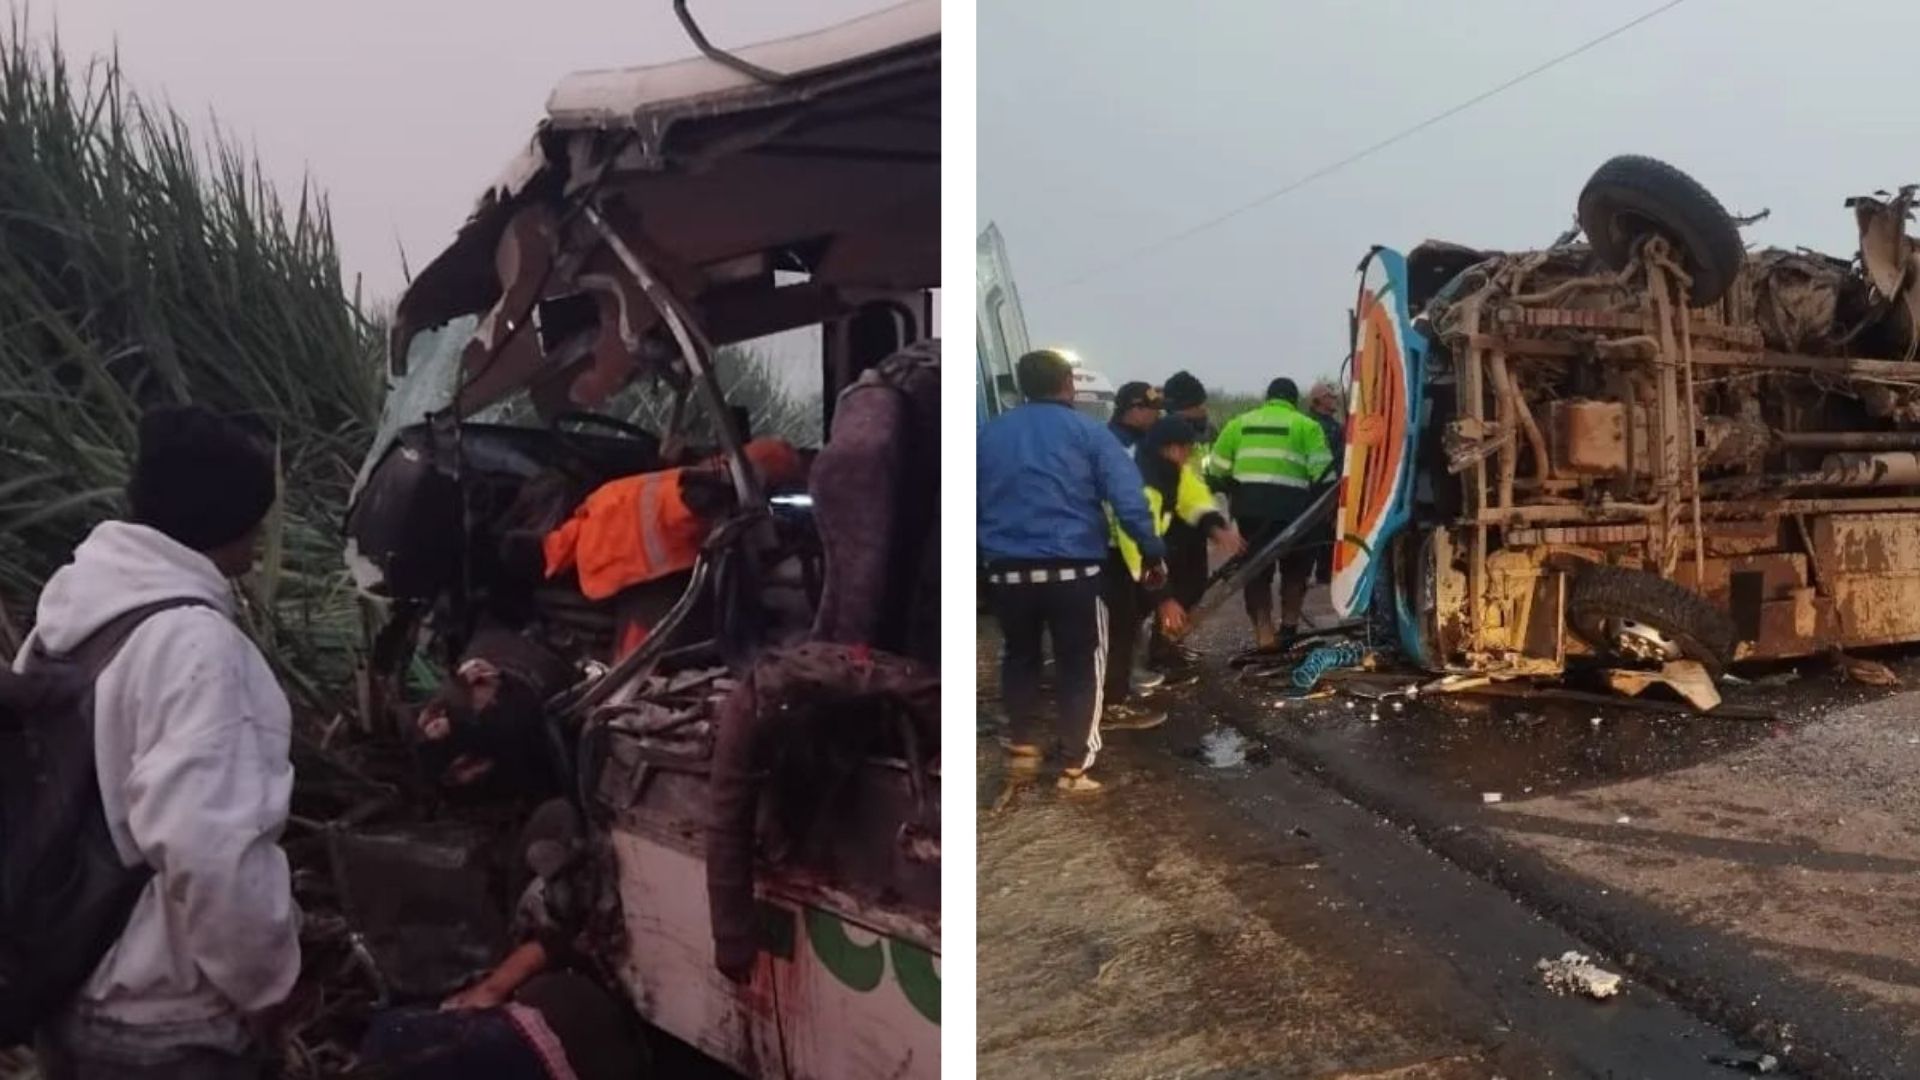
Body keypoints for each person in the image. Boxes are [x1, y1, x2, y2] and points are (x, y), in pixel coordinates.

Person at [24, 405, 300, 1079]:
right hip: (165, 1023)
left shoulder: (76, 609)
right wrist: (270, 985)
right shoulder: (197, 646)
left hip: (69, 988)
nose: (263, 535)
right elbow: (211, 851)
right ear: (233, 520)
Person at [979, 348, 1165, 794]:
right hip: (1074, 571)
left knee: (1019, 655)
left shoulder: (987, 435)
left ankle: (1022, 744)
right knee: (1081, 665)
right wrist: (1151, 549)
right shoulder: (1090, 434)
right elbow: (1128, 498)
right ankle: (1074, 767)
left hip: (1006, 572)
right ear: (1068, 384)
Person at [1101, 417, 1245, 728]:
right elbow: (1134, 545)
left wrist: (1216, 528)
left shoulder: (1170, 471)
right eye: (1187, 451)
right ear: (1171, 449)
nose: (1190, 457)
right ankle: (1110, 705)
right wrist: (1163, 596)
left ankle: (1121, 685)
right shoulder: (1144, 481)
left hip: (1133, 554)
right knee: (1119, 626)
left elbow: (1194, 499)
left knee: (1129, 621)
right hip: (1111, 556)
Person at [1209, 378, 1336, 651]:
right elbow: (1324, 476)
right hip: (1295, 514)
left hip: (1250, 512)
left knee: (1256, 572)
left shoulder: (1238, 424)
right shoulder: (1307, 426)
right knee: (1295, 571)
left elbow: (1216, 472)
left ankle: (1264, 634)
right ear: (1293, 401)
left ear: (1267, 398)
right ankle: (1289, 628)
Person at [1153, 370, 1216, 672]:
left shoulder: (1201, 431)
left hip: (1195, 518)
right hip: (1172, 521)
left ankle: (1170, 645)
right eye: (1197, 404)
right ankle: (1161, 650)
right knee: (1178, 587)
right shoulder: (1166, 434)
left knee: (1194, 584)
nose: (1203, 409)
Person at [1305, 379, 1346, 587]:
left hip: (1325, 485)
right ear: (1318, 400)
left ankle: (1323, 572)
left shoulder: (1329, 425)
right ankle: (1321, 574)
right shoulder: (1319, 426)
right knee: (1322, 530)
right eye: (1330, 397)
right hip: (1323, 486)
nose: (1335, 400)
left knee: (1326, 530)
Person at [1107, 381, 1162, 452]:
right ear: (1137, 408)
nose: (1158, 412)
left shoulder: (1147, 439)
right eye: (1155, 406)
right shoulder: (1108, 443)